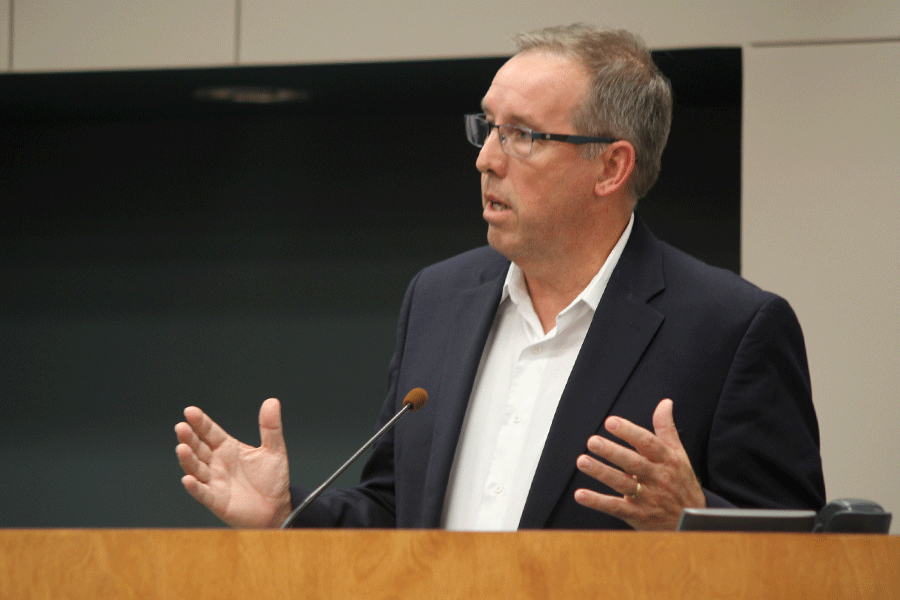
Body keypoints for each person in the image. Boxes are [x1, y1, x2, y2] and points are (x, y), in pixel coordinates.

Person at [175, 24, 826, 531]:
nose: (486, 158)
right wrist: (288, 512)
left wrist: (690, 520)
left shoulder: (730, 328)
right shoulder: (438, 299)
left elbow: (803, 565)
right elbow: (395, 512)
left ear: (611, 167)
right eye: (488, 128)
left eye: (522, 135)